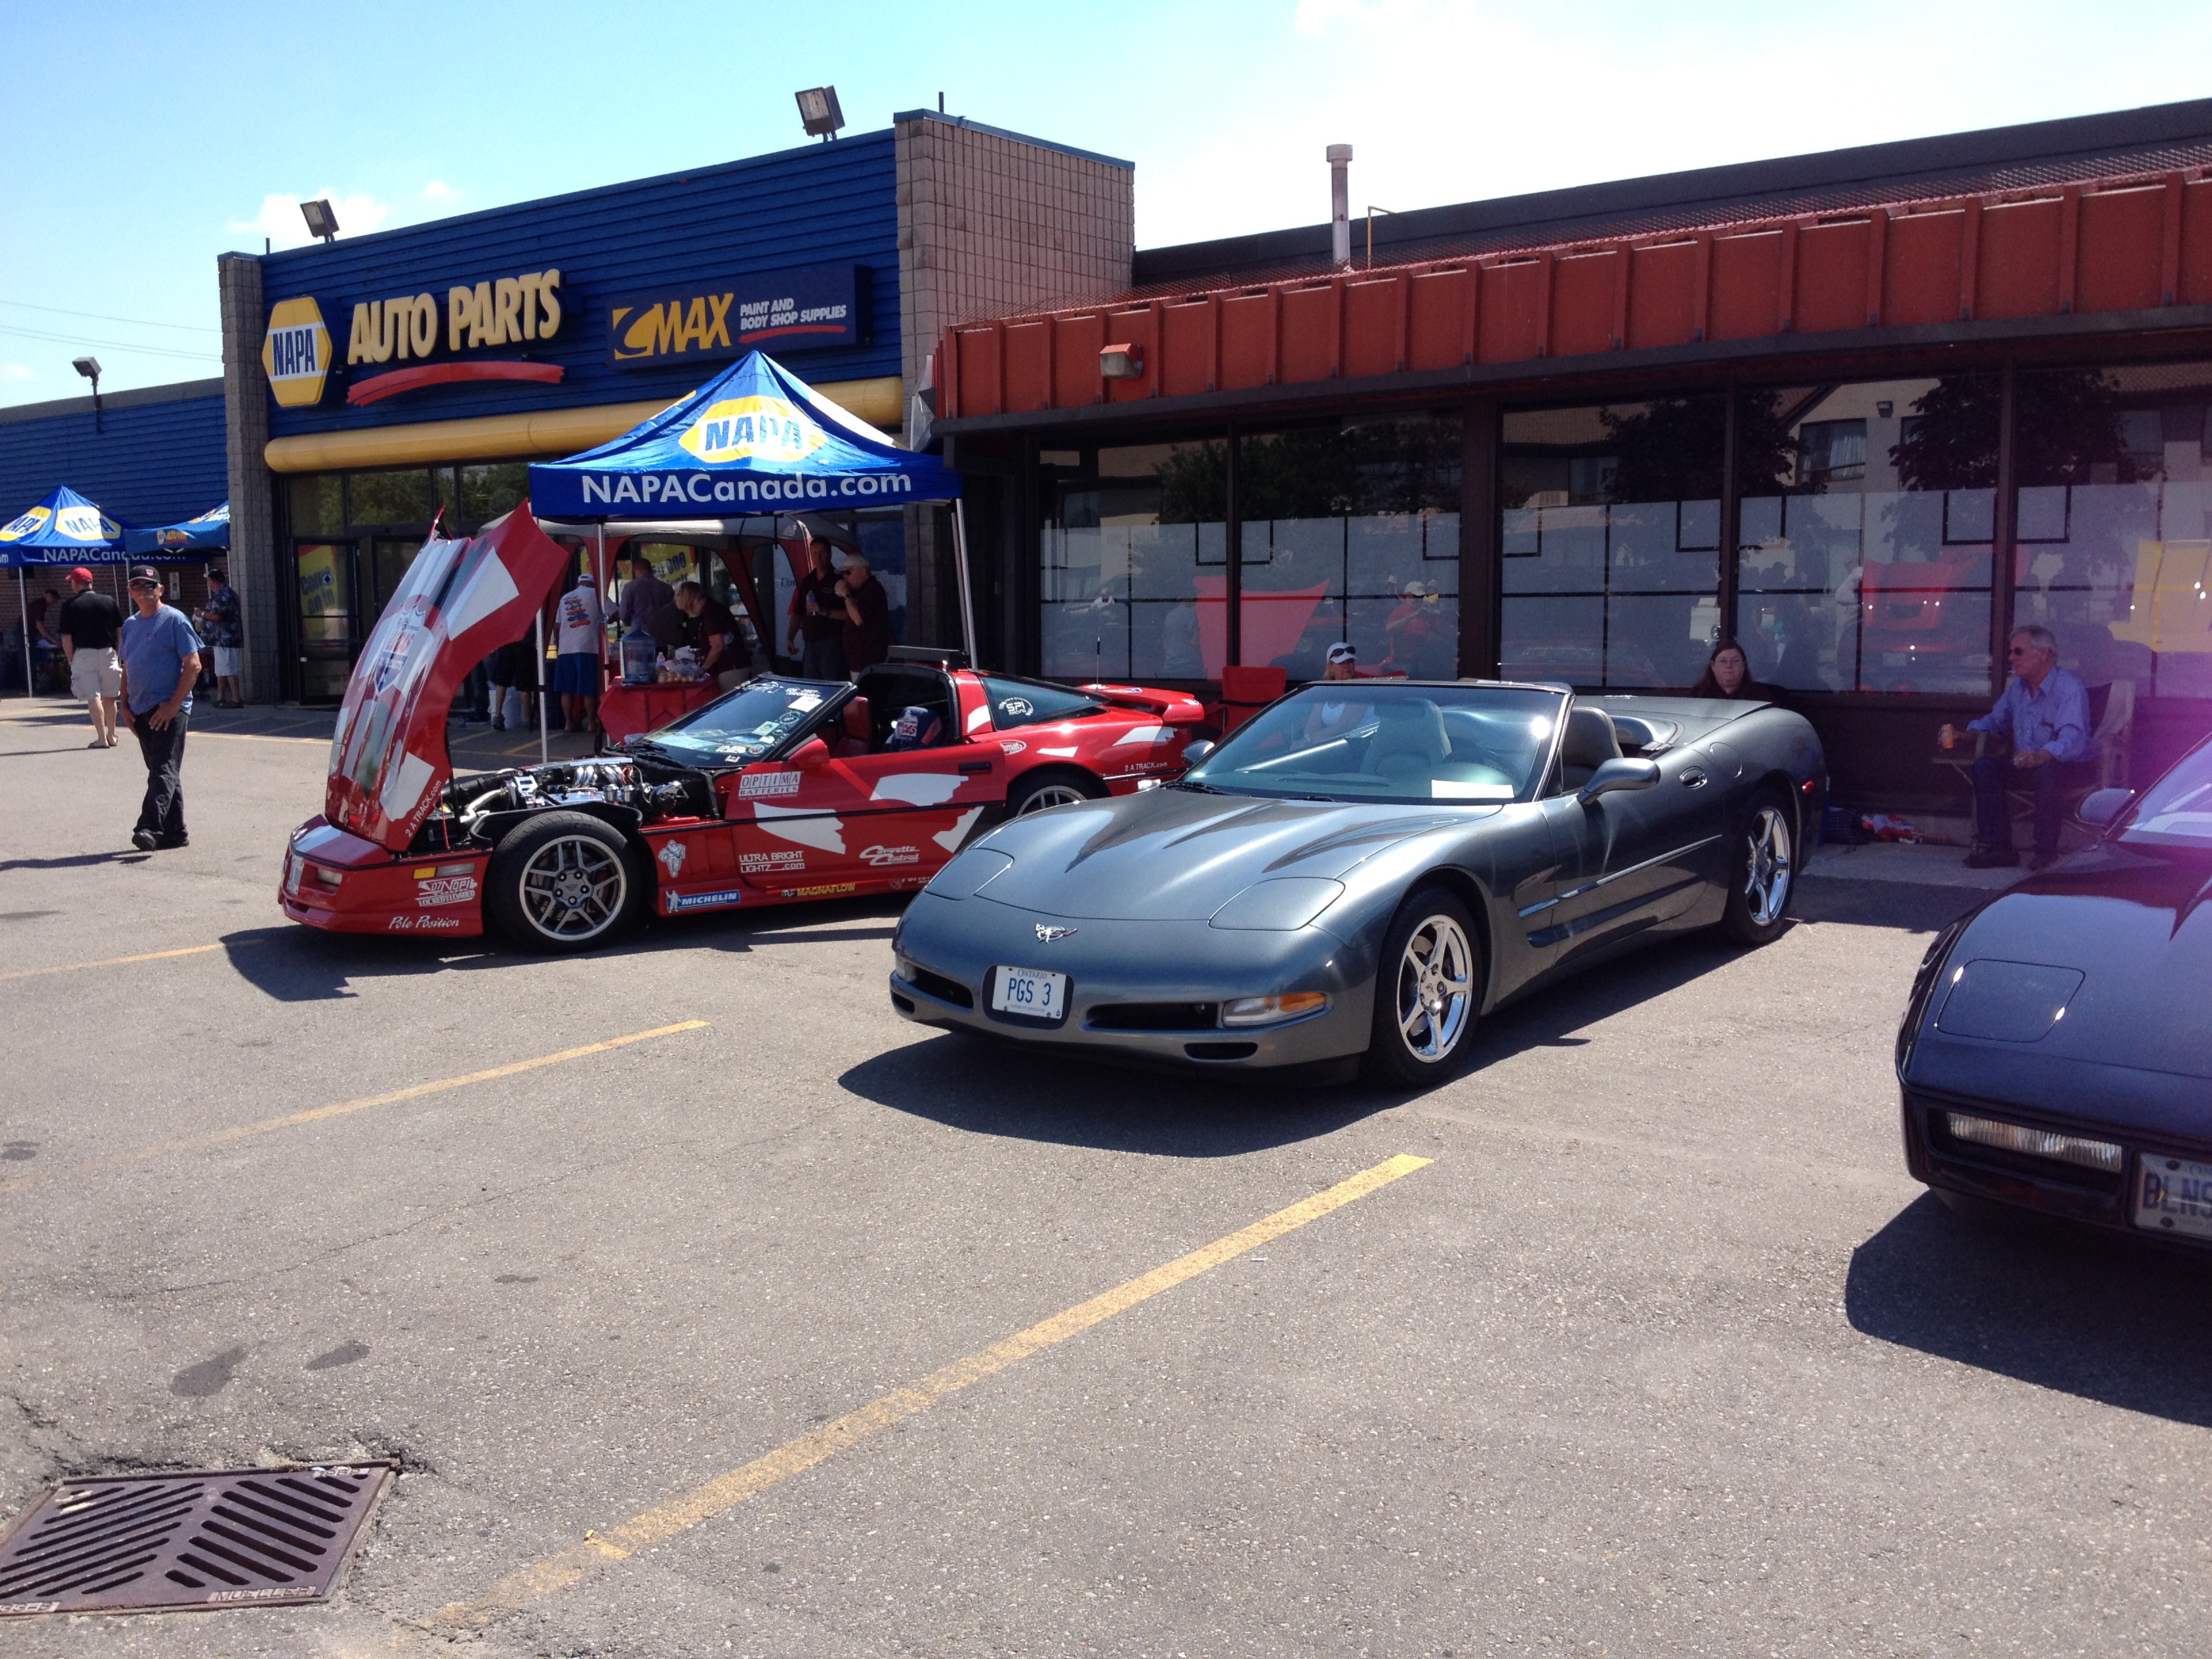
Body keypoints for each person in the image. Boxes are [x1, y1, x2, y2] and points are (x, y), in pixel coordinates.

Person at [1964, 624, 2093, 871]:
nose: (2011, 658)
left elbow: (2071, 739)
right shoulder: (2018, 689)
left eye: (2018, 652)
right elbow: (1995, 722)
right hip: (2028, 764)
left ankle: (2046, 851)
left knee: (2048, 770)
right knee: (1985, 767)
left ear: (2044, 654)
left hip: (2069, 767)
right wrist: (1966, 734)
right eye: (2011, 652)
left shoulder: (2068, 689)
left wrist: (2040, 756)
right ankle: (1999, 848)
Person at [116, 566, 202, 851]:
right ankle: (176, 832)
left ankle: (150, 827)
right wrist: (124, 704)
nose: (144, 591)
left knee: (162, 769)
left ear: (160, 590)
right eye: (138, 586)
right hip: (140, 709)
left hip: (169, 709)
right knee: (162, 770)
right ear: (131, 592)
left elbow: (194, 665)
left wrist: (173, 705)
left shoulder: (175, 620)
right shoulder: (130, 625)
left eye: (150, 586)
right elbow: (127, 667)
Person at [57, 566, 125, 749]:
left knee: (93, 696)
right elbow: (119, 629)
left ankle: (101, 738)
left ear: (75, 584)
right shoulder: (109, 601)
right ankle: (112, 735)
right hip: (108, 652)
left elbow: (66, 637)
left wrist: (71, 658)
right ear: (90, 583)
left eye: (71, 581)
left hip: (84, 654)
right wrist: (118, 651)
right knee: (110, 696)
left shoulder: (70, 606)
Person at [787, 536, 848, 680]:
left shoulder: (838, 580)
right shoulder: (808, 581)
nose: (818, 557)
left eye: (822, 553)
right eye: (814, 553)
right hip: (810, 643)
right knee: (811, 688)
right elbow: (798, 613)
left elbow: (849, 615)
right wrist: (790, 637)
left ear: (830, 554)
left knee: (831, 686)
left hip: (832, 643)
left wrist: (823, 610)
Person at [552, 570, 603, 735]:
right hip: (588, 647)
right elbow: (615, 614)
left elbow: (558, 624)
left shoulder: (565, 597)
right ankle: (591, 723)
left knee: (566, 689)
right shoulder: (597, 595)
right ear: (591, 583)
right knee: (589, 688)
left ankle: (569, 723)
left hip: (565, 649)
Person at [674, 580, 746, 691]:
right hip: (733, 667)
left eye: (686, 609)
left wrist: (703, 669)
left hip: (730, 668)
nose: (688, 613)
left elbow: (718, 646)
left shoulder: (710, 612)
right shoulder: (710, 610)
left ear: (691, 602)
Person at [834, 549, 893, 676]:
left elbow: (858, 619)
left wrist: (847, 595)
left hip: (868, 659)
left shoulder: (872, 591)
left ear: (863, 571)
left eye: (848, 572)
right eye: (843, 573)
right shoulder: (860, 591)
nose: (844, 576)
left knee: (866, 694)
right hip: (858, 658)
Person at [194, 565, 245, 708]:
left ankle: (236, 699)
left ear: (213, 581)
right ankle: (221, 697)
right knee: (221, 669)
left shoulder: (222, 595)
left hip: (226, 638)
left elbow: (217, 616)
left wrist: (201, 614)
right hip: (221, 639)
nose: (208, 584)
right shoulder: (229, 594)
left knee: (229, 669)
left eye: (209, 580)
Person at [1304, 642, 1372, 742]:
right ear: (1330, 667)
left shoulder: (1361, 690)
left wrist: (1311, 739)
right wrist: (1306, 740)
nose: (1347, 666)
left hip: (1363, 743)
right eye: (1341, 663)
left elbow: (1345, 725)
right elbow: (1312, 724)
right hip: (1339, 743)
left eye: (1350, 661)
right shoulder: (1324, 692)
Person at [1687, 638, 1785, 701]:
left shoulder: (1760, 696)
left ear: (1743, 665)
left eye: (1735, 661)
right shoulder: (1699, 696)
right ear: (1713, 666)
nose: (1729, 665)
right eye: (1723, 661)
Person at [617, 550, 673, 634]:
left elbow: (623, 612)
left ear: (636, 570)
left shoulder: (630, 587)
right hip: (661, 631)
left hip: (639, 631)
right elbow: (672, 610)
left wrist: (630, 622)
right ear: (650, 569)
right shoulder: (666, 587)